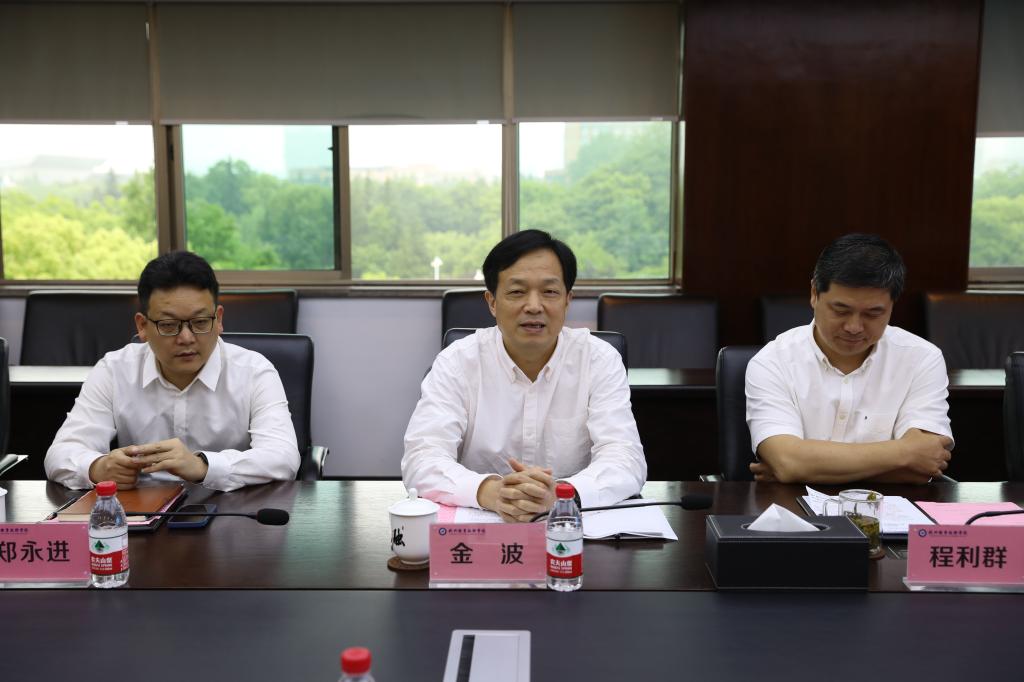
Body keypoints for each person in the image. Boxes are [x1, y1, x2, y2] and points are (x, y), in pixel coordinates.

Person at [402, 229, 646, 522]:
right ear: (492, 302)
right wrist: (492, 492)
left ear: (567, 300)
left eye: (549, 292)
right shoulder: (456, 362)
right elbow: (422, 458)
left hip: (571, 528)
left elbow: (625, 458)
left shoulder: (600, 360)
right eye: (517, 292)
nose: (533, 306)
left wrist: (561, 494)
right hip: (483, 528)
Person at [45, 251, 299, 491]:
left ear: (219, 319)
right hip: (140, 511)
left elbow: (283, 457)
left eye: (200, 322)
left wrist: (203, 466)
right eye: (168, 325)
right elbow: (60, 453)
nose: (186, 338)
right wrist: (97, 467)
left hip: (230, 509)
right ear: (142, 326)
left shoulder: (254, 372)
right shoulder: (114, 370)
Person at [746, 233, 953, 484]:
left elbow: (923, 467)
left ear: (892, 305)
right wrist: (905, 454)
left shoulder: (922, 358)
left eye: (872, 314)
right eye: (841, 310)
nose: (854, 327)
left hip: (889, 506)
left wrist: (807, 468)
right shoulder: (772, 362)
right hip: (793, 508)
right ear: (814, 293)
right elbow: (789, 463)